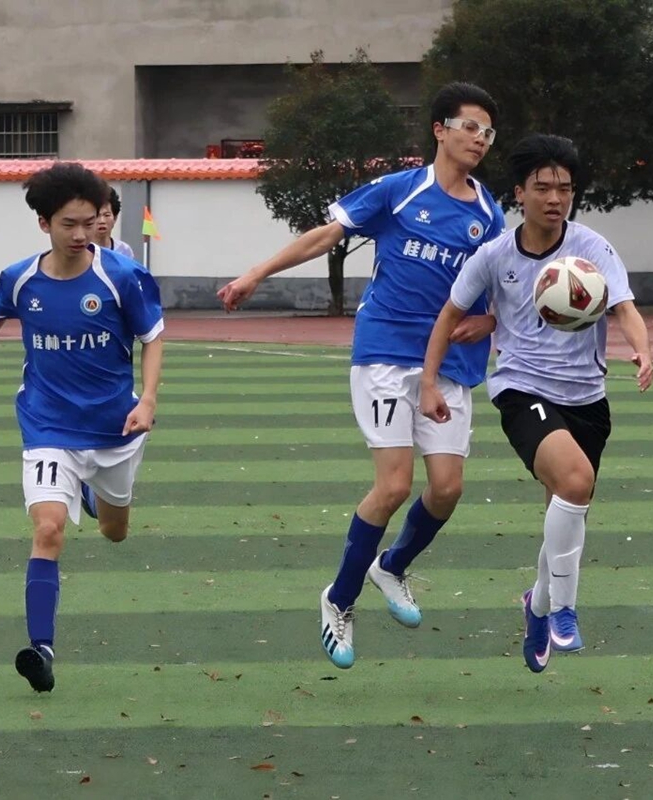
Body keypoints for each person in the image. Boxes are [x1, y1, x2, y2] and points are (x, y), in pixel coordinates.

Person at [217, 82, 506, 669]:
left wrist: (492, 319)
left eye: (488, 132)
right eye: (470, 127)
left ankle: (391, 567)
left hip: (448, 364)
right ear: (440, 130)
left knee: (447, 488)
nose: (480, 139)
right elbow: (328, 234)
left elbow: (507, 281)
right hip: (386, 353)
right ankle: (339, 599)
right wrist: (256, 273)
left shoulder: (488, 213)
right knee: (394, 485)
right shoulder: (399, 190)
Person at [418, 134, 653, 673]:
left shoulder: (592, 248)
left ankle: (538, 605)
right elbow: (449, 316)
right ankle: (565, 610)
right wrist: (429, 382)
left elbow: (624, 308)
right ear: (519, 193)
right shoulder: (494, 255)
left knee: (564, 511)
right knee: (575, 481)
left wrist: (642, 350)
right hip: (522, 389)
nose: (555, 198)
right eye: (543, 187)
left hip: (587, 397)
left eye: (564, 189)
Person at [0, 163, 165, 692]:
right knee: (47, 530)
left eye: (90, 221)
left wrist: (148, 399)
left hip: (115, 428)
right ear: (44, 223)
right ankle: (41, 649)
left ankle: (94, 495)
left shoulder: (122, 276)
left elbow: (152, 337)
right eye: (69, 224)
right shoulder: (20, 278)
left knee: (114, 531)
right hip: (47, 424)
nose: (83, 233)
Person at [95, 186, 137, 261]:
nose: (102, 221)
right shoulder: (81, 251)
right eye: (97, 215)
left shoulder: (124, 251)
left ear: (115, 218)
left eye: (107, 215)